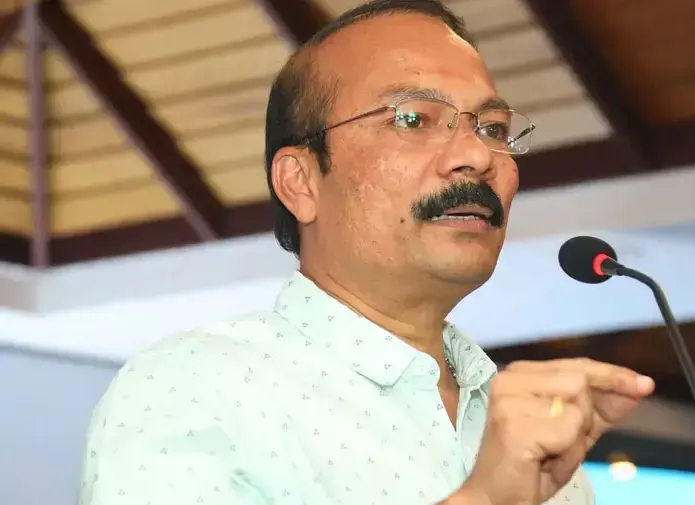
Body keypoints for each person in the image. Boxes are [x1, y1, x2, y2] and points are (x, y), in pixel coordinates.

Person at [78, 1, 655, 504]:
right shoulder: (193, 388)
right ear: (301, 182)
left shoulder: (532, 432)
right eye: (413, 119)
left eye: (493, 128)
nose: (478, 156)